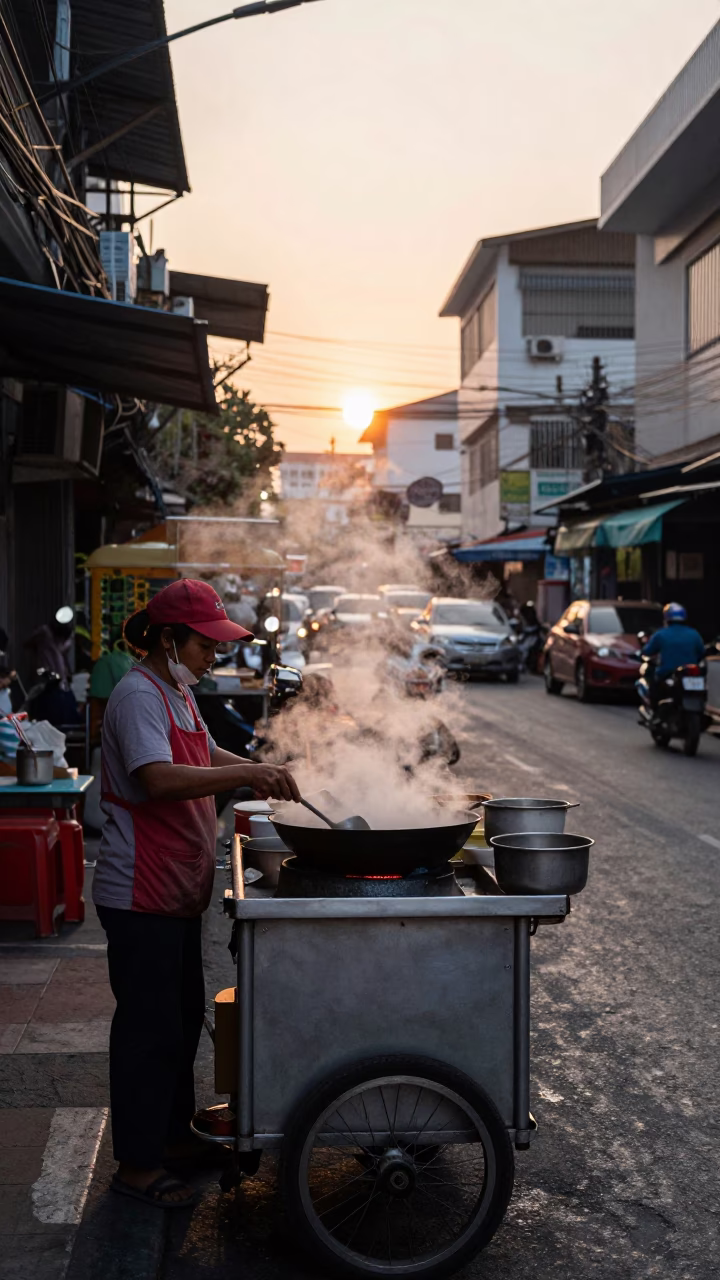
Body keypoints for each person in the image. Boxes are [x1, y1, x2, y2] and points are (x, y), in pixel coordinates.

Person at [93, 578, 300, 1210]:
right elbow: (156, 778)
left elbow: (201, 749)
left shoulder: (176, 689)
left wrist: (256, 767)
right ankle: (135, 1165)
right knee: (148, 1031)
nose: (215, 655)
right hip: (139, 891)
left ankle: (170, 1140)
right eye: (205, 643)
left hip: (176, 887)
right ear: (167, 638)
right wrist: (244, 773)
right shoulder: (135, 697)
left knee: (180, 1025)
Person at [642, 602, 705, 698]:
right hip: (690, 675)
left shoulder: (661, 634)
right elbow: (701, 653)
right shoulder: (694, 634)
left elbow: (648, 651)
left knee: (653, 687)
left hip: (667, 673)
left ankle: (655, 709)